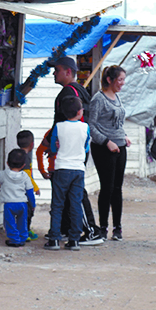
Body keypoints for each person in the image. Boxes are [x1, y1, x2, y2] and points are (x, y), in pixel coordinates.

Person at [40, 56, 104, 246]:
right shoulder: (80, 90)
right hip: (77, 150)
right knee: (71, 193)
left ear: (68, 72)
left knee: (74, 194)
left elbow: (61, 123)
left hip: (68, 152)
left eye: (57, 70)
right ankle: (67, 229)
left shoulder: (69, 94)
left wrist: (51, 143)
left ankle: (91, 230)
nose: (54, 73)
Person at [89, 65, 131, 241]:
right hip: (104, 148)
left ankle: (118, 227)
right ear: (110, 80)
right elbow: (92, 125)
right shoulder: (99, 99)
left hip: (120, 146)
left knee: (117, 188)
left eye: (123, 80)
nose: (122, 83)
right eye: (119, 80)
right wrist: (107, 142)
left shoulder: (117, 97)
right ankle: (103, 225)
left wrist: (124, 136)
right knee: (107, 187)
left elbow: (117, 123)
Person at [44, 96, 90, 251]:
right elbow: (86, 148)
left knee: (57, 204)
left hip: (62, 167)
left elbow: (54, 148)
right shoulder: (85, 127)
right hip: (78, 168)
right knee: (75, 203)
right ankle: (74, 239)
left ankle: (54, 239)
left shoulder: (58, 127)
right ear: (79, 112)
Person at [0, 148, 36, 248]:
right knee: (22, 222)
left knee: (10, 222)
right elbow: (30, 192)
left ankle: (14, 239)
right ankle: (22, 238)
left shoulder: (3, 174)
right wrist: (32, 205)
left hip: (9, 205)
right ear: (23, 165)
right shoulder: (25, 176)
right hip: (22, 204)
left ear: (7, 163)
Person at [16, 130, 40, 241]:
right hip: (25, 189)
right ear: (32, 144)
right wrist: (35, 188)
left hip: (16, 188)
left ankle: (24, 229)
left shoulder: (16, 155)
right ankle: (24, 231)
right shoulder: (26, 158)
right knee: (29, 210)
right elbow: (27, 176)